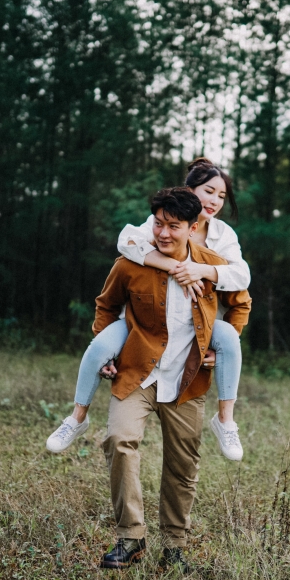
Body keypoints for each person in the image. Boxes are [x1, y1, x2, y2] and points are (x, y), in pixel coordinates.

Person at [90, 188, 251, 570]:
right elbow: (106, 305)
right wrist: (104, 350)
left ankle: (174, 546)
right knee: (118, 439)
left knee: (182, 463)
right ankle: (131, 538)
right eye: (159, 224)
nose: (163, 233)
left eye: (173, 226)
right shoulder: (131, 263)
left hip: (186, 381)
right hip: (137, 374)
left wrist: (226, 345)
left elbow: (241, 301)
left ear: (193, 227)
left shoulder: (213, 265)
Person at [46, 158, 250, 461]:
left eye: (222, 196)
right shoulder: (160, 224)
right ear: (189, 190)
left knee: (230, 341)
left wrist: (200, 270)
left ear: (191, 228)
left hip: (197, 324)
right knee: (99, 345)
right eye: (209, 191)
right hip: (146, 320)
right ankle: (77, 417)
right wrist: (170, 264)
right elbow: (127, 242)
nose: (215, 201)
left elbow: (241, 278)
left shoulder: (222, 237)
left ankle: (225, 420)